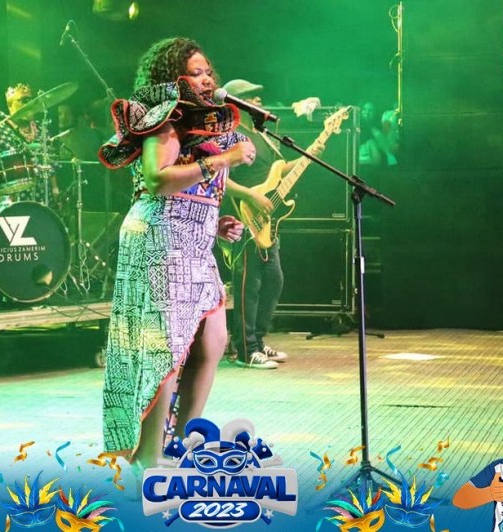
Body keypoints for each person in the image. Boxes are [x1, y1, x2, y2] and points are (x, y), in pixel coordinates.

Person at [97, 37, 263, 470]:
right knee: (165, 351)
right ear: (173, 78)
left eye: (208, 71)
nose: (206, 78)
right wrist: (224, 159)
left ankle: (186, 445)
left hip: (193, 238)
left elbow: (195, 190)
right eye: (195, 72)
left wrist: (216, 222)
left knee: (214, 339)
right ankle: (149, 458)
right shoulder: (165, 118)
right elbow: (157, 180)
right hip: (160, 237)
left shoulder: (204, 123)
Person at [222, 79, 323, 369]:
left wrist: (308, 156)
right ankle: (245, 349)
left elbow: (276, 172)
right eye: (251, 97)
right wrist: (250, 195)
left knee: (273, 281)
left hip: (267, 221)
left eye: (258, 96)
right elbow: (216, 178)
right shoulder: (230, 136)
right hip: (243, 217)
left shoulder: (263, 135)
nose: (258, 101)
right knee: (249, 285)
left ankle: (257, 341)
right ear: (236, 104)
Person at [0, 83, 58, 203]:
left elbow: (50, 162)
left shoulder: (42, 128)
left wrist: (55, 189)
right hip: (17, 201)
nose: (29, 104)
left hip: (45, 198)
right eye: (23, 100)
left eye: (31, 100)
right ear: (10, 104)